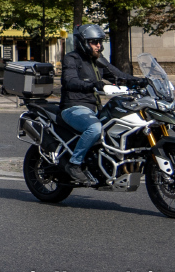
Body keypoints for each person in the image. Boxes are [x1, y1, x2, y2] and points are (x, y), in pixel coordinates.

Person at [59, 24, 146, 185]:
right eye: (94, 42)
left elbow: (117, 75)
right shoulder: (72, 58)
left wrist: (140, 81)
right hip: (73, 107)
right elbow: (69, 80)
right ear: (83, 42)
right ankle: (74, 164)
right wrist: (93, 84)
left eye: (100, 41)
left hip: (93, 109)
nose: (99, 45)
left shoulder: (98, 60)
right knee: (95, 128)